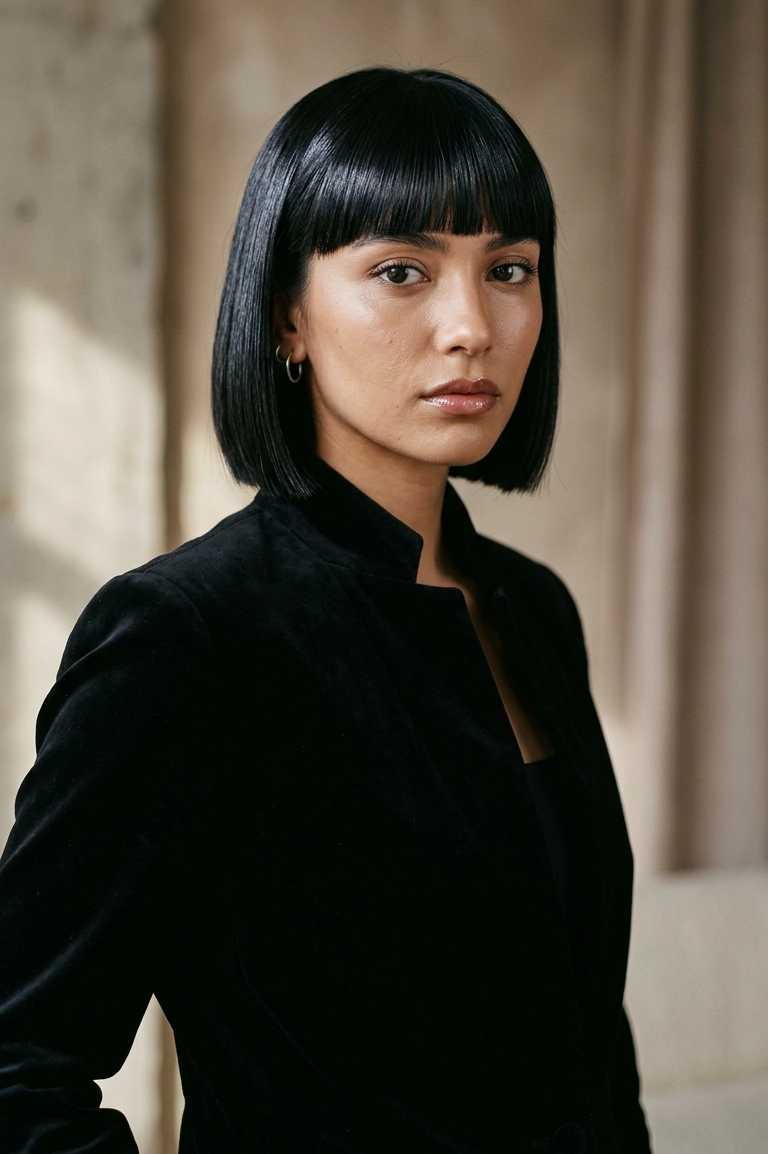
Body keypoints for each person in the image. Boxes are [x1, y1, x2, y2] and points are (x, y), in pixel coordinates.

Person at [0, 68, 651, 1154]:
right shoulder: (190, 634)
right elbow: (19, 1064)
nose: (472, 325)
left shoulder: (535, 613)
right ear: (286, 317)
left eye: (510, 269)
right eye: (402, 269)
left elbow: (589, 1041)